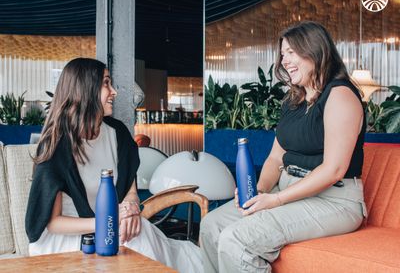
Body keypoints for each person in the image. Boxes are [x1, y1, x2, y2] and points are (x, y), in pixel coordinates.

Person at [199, 21, 367, 273]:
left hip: (333, 201)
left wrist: (275, 200)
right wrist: (258, 191)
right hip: (287, 190)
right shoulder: (294, 100)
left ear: (315, 50)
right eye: (282, 54)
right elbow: (275, 158)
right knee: (211, 225)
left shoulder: (340, 95)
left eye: (291, 52)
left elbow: (334, 169)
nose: (284, 60)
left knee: (237, 240)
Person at [25, 58, 201, 273]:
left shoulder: (117, 133)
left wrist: (131, 211)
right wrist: (110, 221)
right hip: (66, 237)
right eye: (106, 83)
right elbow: (53, 223)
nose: (114, 91)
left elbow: (130, 193)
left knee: (139, 233)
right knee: (133, 242)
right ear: (85, 89)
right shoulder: (57, 146)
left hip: (111, 227)